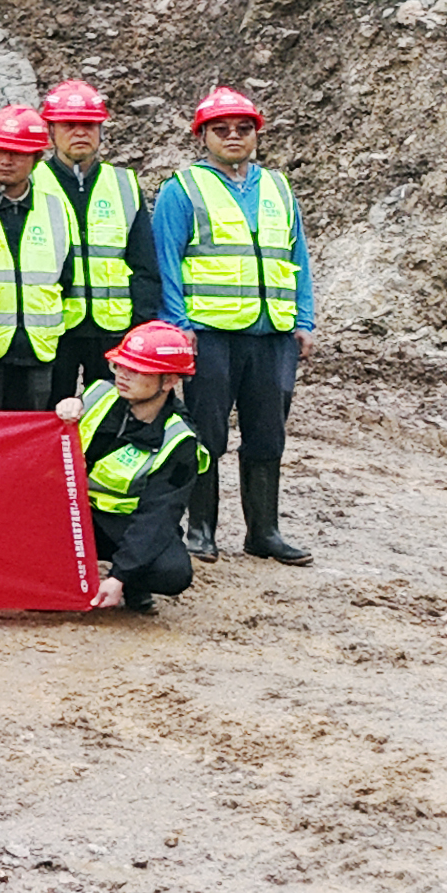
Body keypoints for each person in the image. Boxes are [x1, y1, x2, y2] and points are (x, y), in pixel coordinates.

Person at [153, 86, 314, 566]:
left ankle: (263, 531)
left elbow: (297, 258)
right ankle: (200, 529)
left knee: (268, 436)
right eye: (221, 129)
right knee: (206, 434)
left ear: (256, 134)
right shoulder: (183, 190)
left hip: (273, 336)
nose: (233, 136)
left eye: (243, 129)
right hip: (210, 335)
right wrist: (177, 325)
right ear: (203, 136)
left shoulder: (278, 189)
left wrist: (303, 320)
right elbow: (167, 262)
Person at [61, 320, 214, 613]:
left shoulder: (179, 441)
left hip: (123, 524)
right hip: (71, 512)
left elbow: (157, 518)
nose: (123, 376)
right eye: (119, 366)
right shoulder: (98, 395)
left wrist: (120, 576)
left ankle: (135, 585)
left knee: (171, 571)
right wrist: (63, 410)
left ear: (169, 381)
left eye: (137, 370)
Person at [0, 105, 71, 413]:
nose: (6, 160)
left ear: (36, 158)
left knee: (28, 446)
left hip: (37, 352)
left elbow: (65, 278)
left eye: (17, 153)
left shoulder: (56, 209)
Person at [40, 78, 151, 396]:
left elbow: (144, 264)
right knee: (53, 413)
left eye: (88, 125)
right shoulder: (34, 183)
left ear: (101, 130)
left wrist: (141, 325)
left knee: (109, 415)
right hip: (54, 327)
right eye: (69, 125)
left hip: (113, 329)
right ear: (51, 132)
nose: (79, 132)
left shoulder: (124, 185)